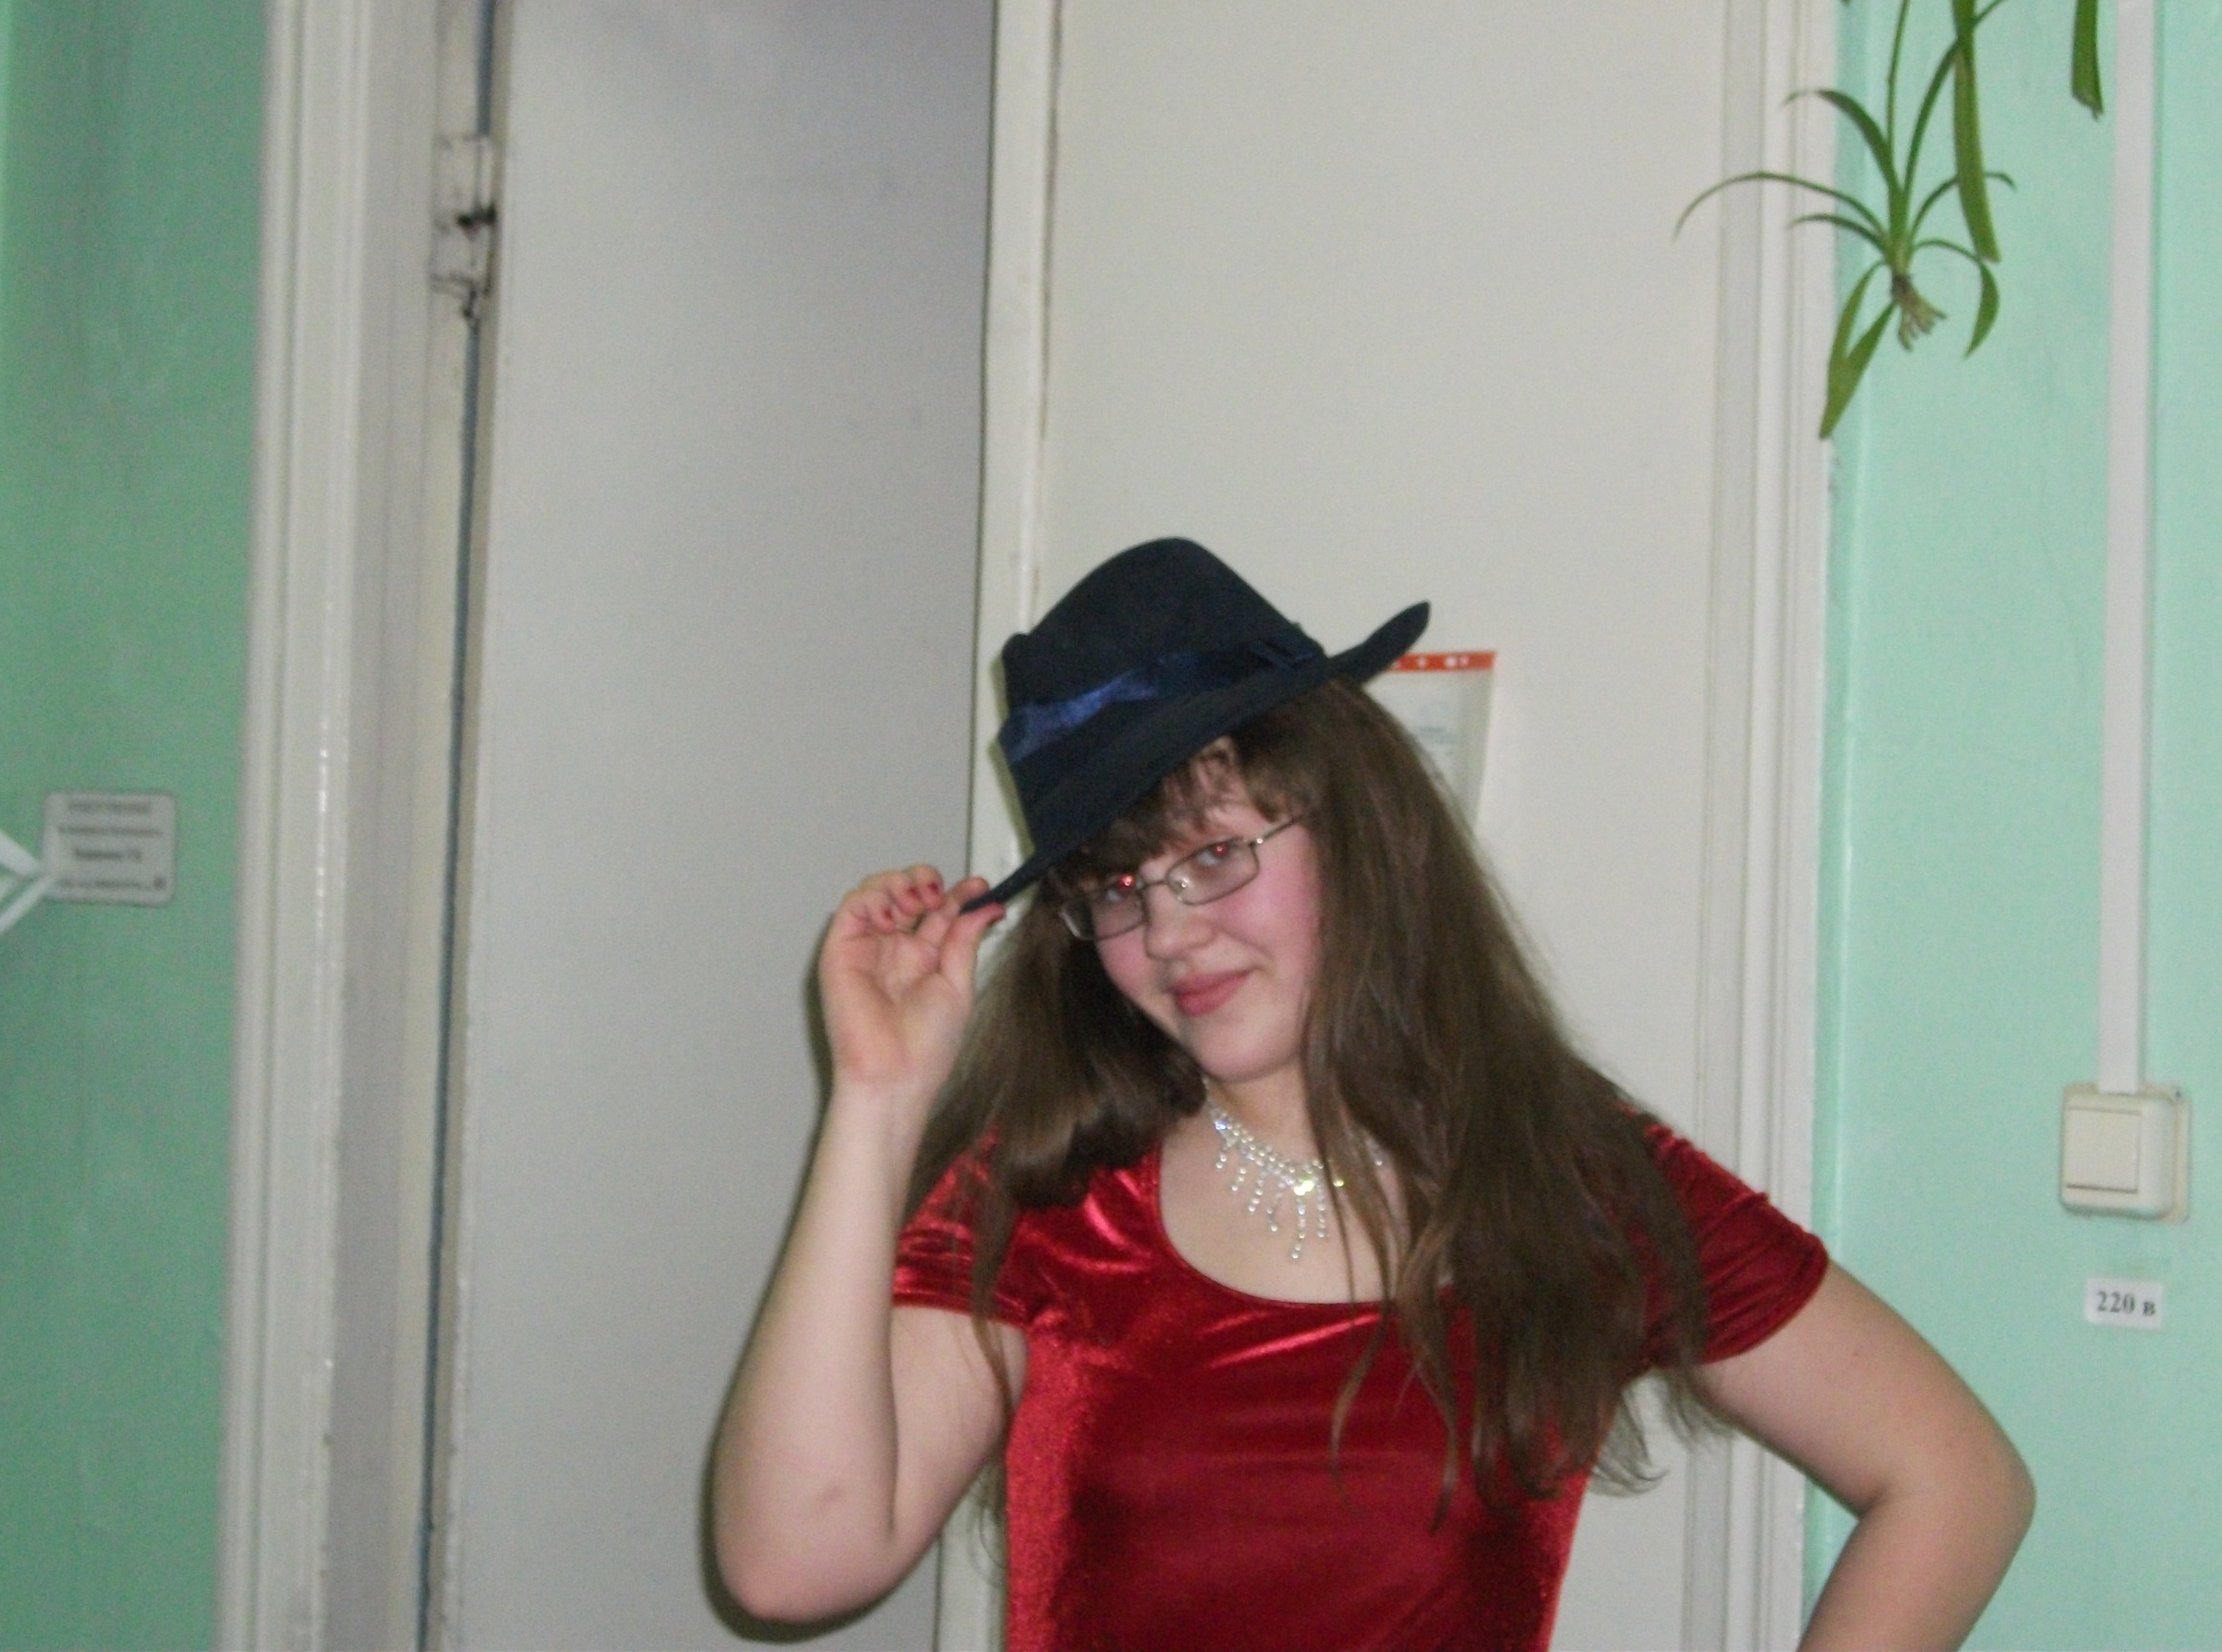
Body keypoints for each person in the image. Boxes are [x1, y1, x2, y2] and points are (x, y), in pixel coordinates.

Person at [713, 538, 2032, 1650]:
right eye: (1114, 888)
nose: (1167, 933)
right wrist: (877, 1100)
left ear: (1357, 826)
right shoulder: (1053, 1191)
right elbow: (791, 1567)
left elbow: (1955, 1479)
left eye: (1214, 854)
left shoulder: (1561, 1176)